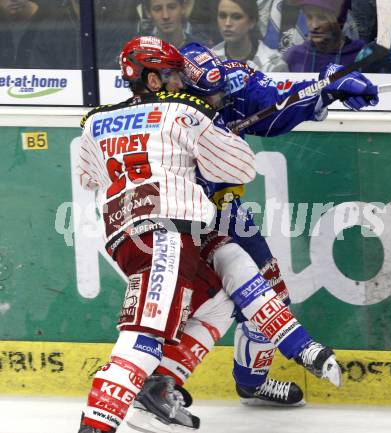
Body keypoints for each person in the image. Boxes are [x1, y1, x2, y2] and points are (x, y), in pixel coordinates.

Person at [124, 43, 379, 430]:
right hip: (175, 220)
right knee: (185, 310)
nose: (215, 99)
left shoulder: (233, 79)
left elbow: (277, 105)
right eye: (205, 95)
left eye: (218, 92)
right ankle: (152, 390)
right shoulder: (157, 108)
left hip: (224, 212)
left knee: (269, 294)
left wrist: (325, 90)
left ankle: (251, 383)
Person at [76, 35, 256, 433]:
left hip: (125, 240)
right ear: (153, 80)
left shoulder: (94, 123)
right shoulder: (182, 113)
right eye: (174, 76)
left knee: (216, 301)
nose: (182, 84)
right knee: (144, 336)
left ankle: (156, 387)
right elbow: (241, 170)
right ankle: (95, 426)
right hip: (166, 237)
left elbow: (89, 177)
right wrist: (220, 131)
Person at [284, 0, 366, 72]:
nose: (314, 26)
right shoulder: (294, 57)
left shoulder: (362, 56)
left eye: (322, 18)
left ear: (339, 20)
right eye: (309, 17)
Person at [211, 0, 288, 71]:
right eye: (222, 16)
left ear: (252, 22)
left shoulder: (273, 64)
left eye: (237, 17)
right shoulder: (208, 60)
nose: (227, 23)